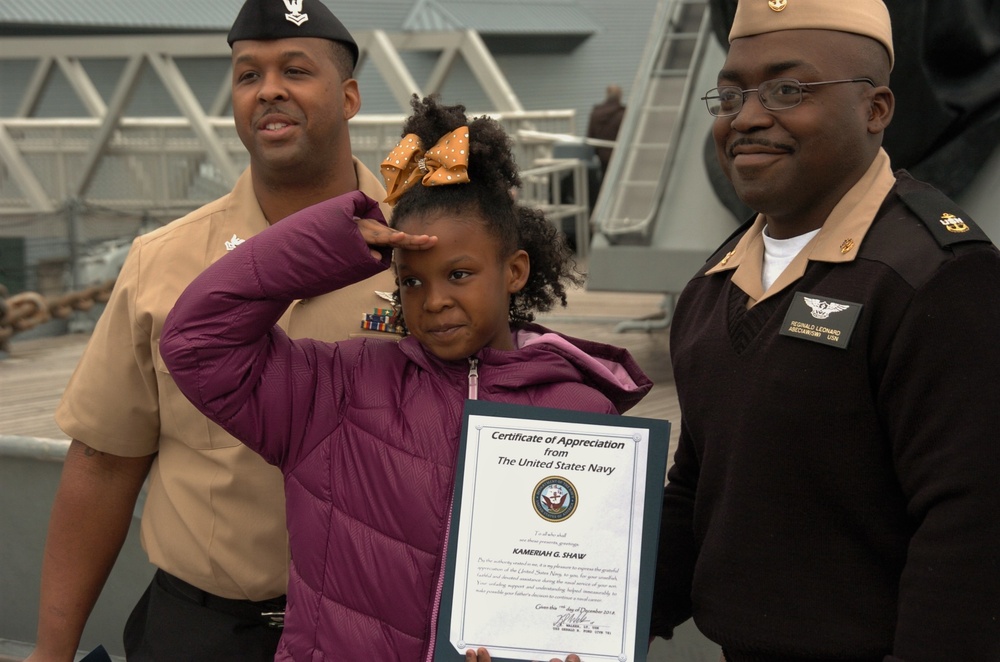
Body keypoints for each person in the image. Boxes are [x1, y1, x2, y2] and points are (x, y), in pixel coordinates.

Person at [158, 95, 652, 660]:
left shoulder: (583, 411)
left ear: (514, 271)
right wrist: (331, 242)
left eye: (459, 274)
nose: (435, 300)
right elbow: (197, 342)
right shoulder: (336, 389)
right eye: (411, 281)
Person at [27, 1, 397, 660]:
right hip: (199, 632)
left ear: (348, 97)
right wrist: (51, 651)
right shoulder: (162, 262)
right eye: (247, 75)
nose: (269, 89)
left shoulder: (427, 254)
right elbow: (106, 463)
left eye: (295, 69)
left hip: (377, 625)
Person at [651, 1, 1000, 661]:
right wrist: (586, 618)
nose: (748, 117)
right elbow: (699, 492)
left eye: (788, 89)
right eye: (729, 95)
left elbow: (969, 525)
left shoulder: (934, 276)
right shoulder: (712, 288)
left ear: (876, 109)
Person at [585, 84, 626, 177]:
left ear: (607, 95)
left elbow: (590, 135)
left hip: (602, 157)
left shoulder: (596, 113)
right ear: (620, 96)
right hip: (619, 155)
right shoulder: (623, 114)